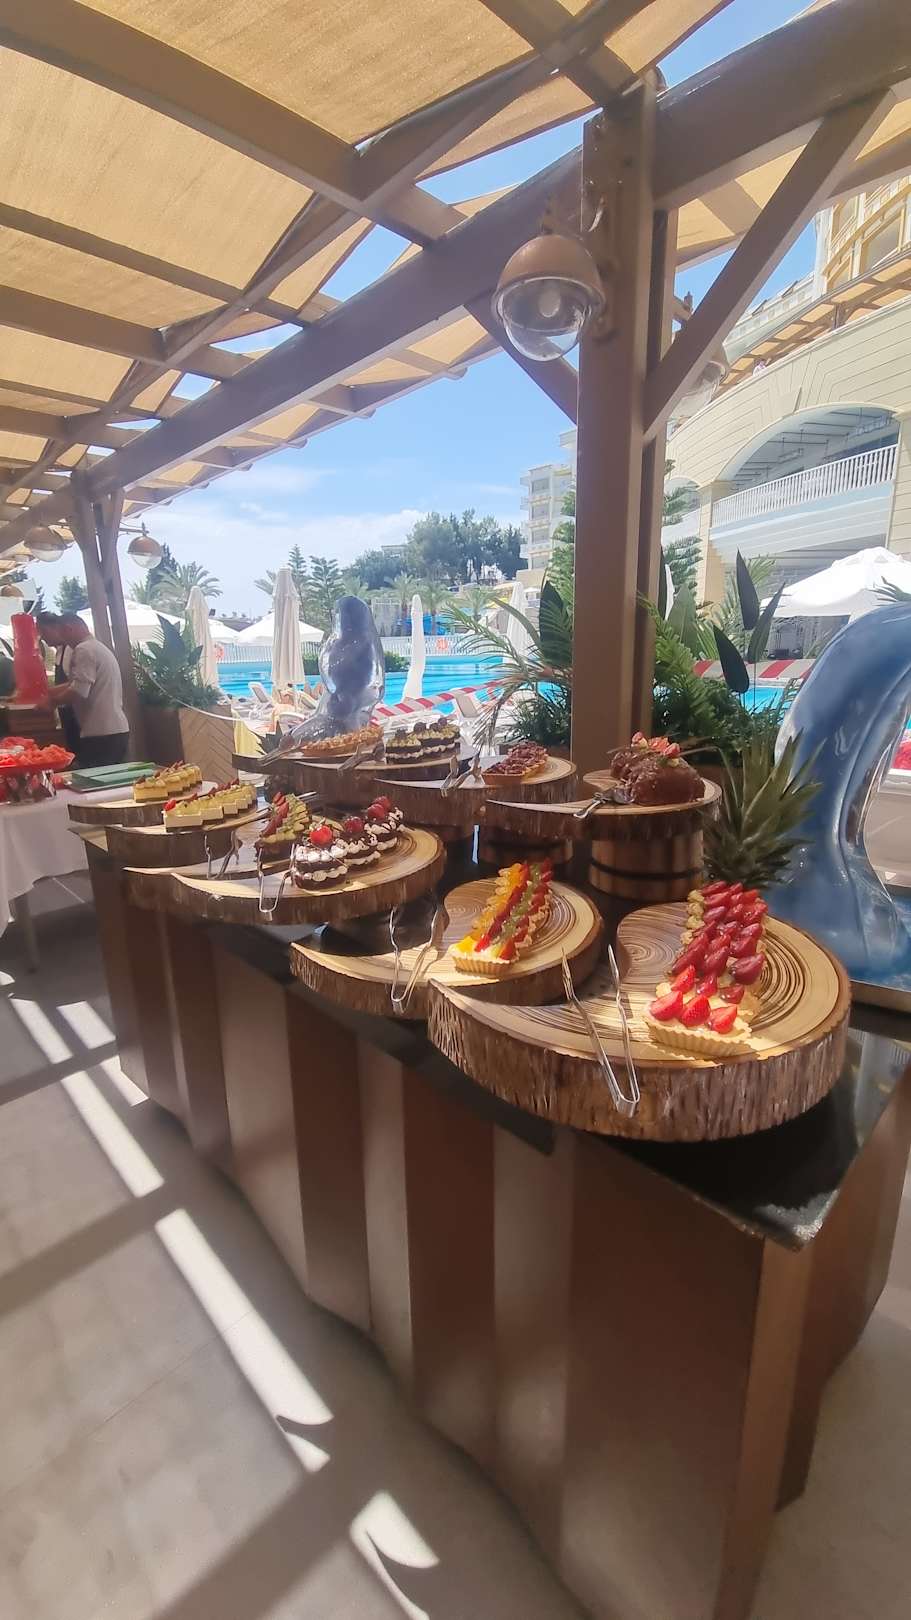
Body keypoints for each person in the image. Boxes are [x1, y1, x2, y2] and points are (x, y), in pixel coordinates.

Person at [36, 612, 130, 768]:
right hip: (114, 730)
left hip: (101, 733)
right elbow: (76, 683)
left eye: (62, 634)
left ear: (69, 628)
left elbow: (79, 691)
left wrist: (52, 702)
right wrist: (48, 693)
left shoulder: (84, 649)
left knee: (95, 781)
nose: (64, 640)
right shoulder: (97, 647)